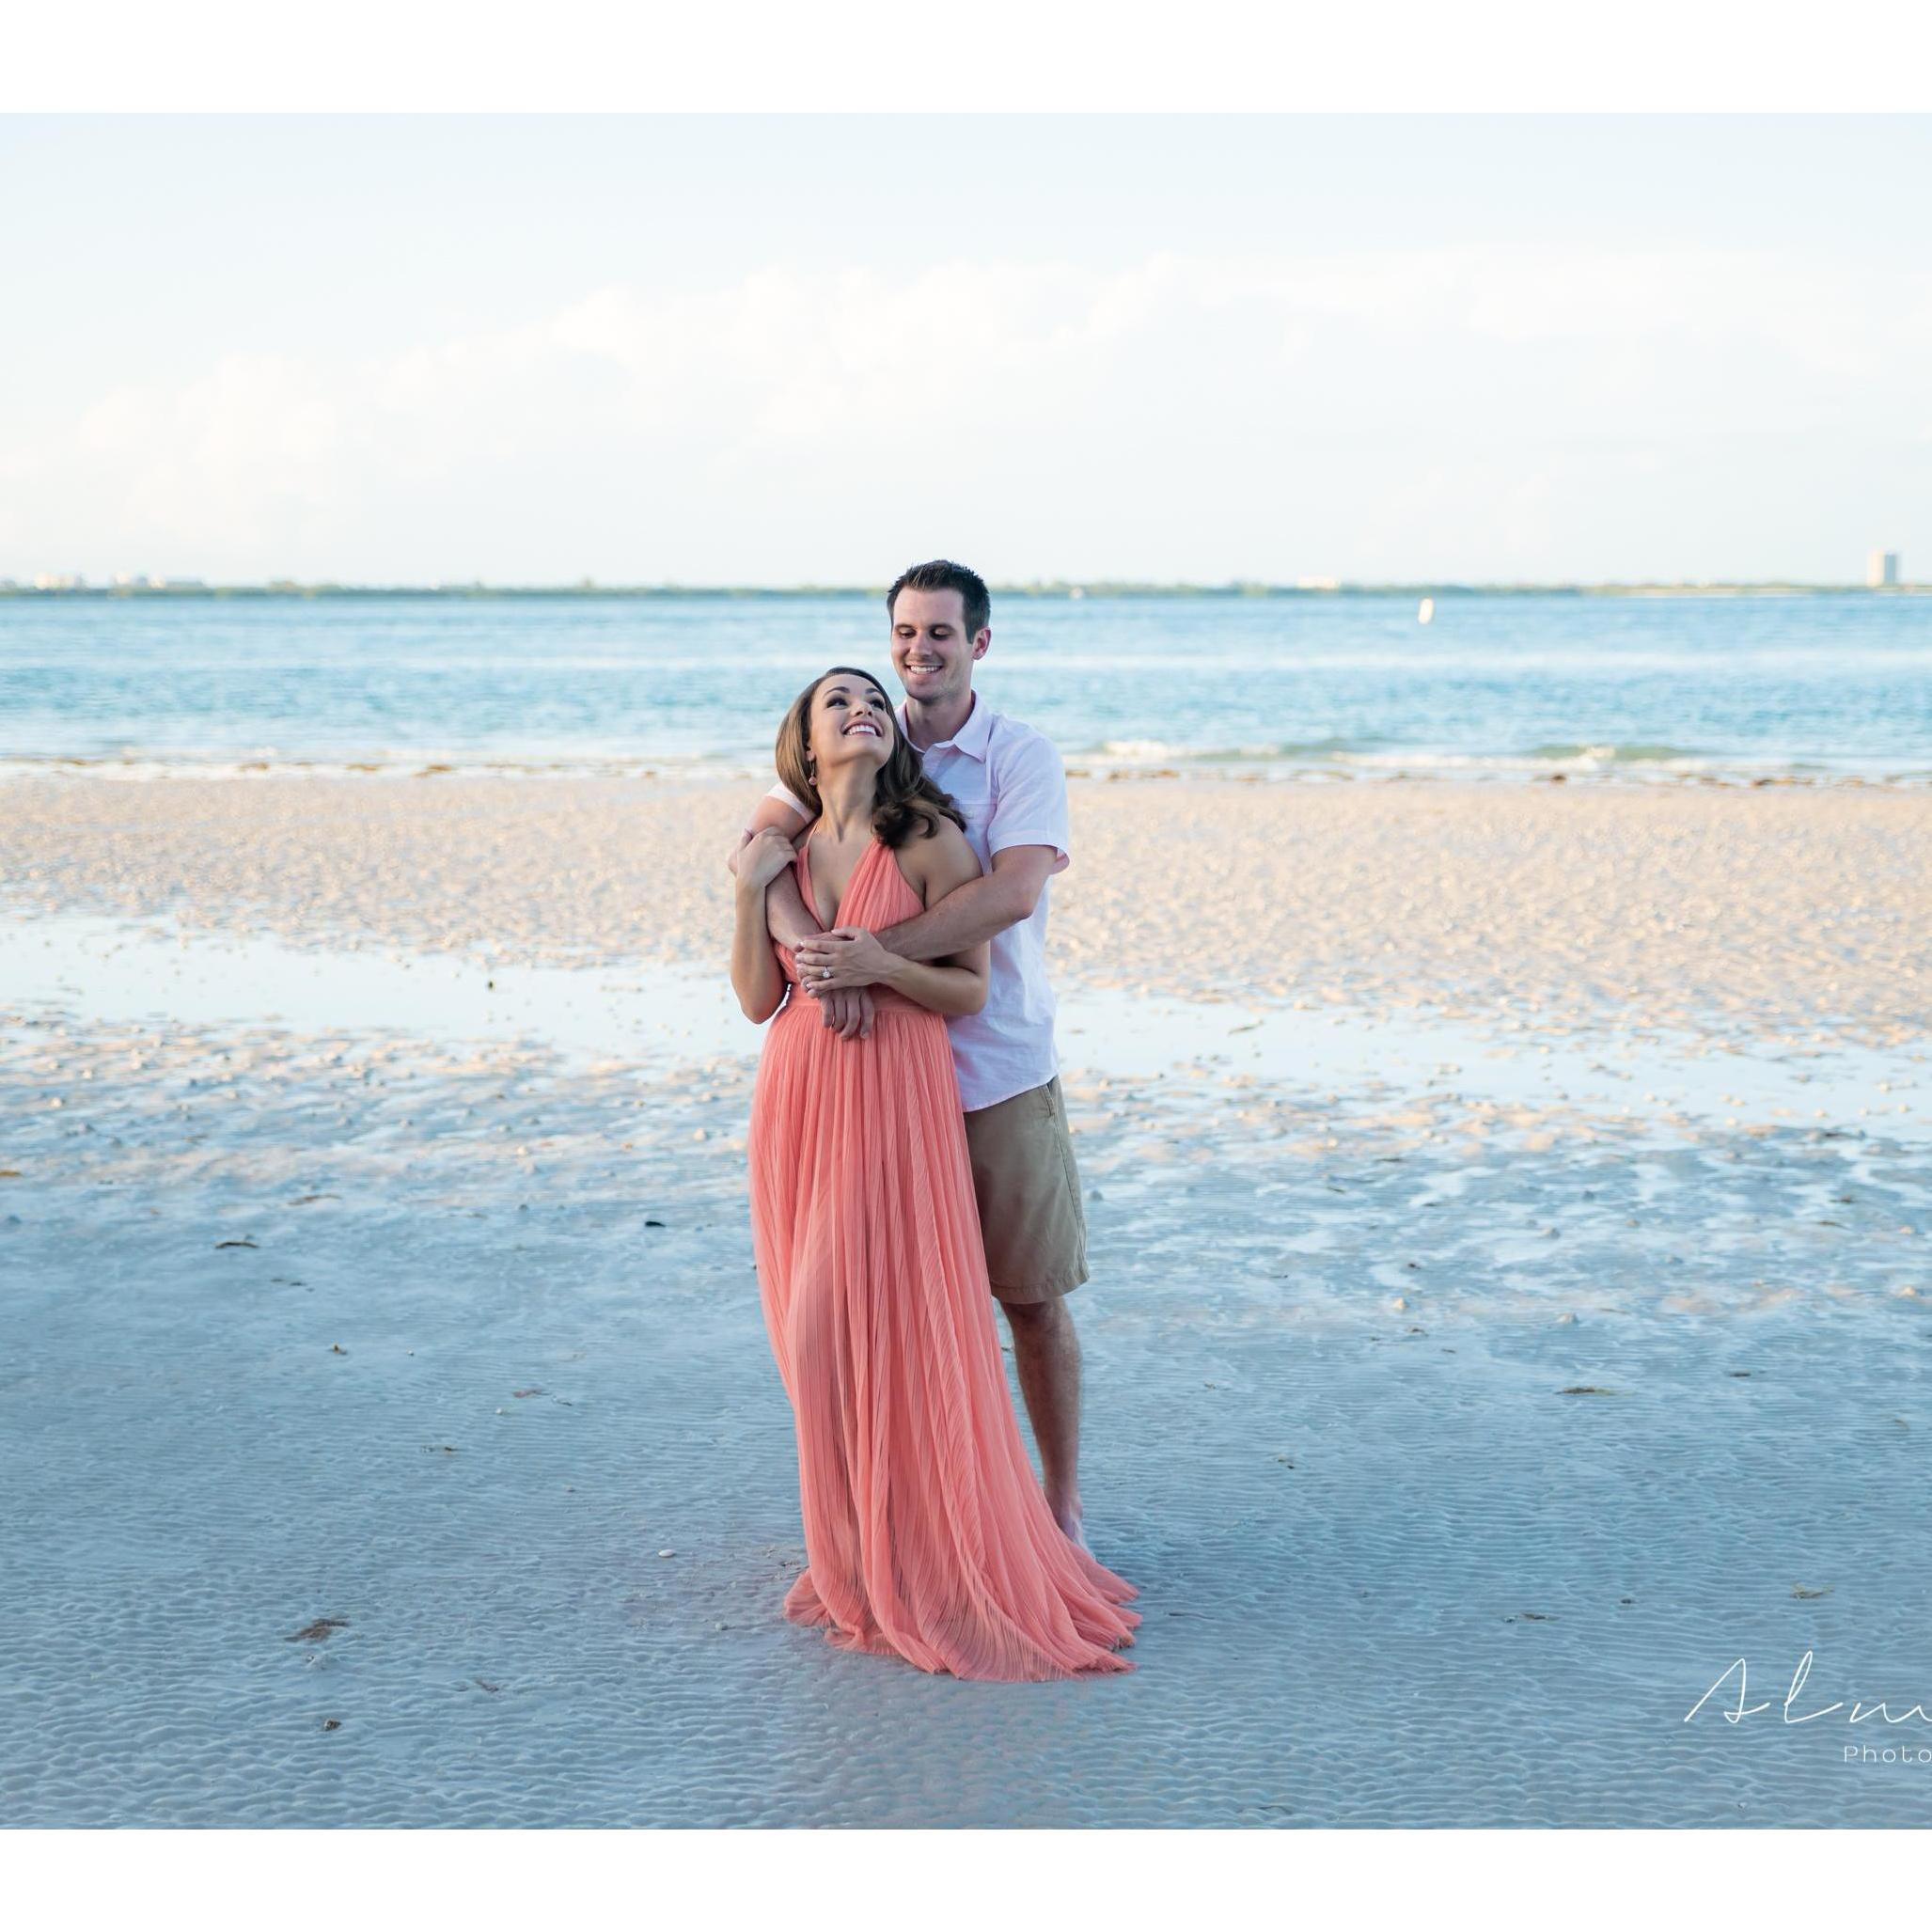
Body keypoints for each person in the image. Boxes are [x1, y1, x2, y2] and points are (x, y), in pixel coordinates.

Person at [731, 664, 1139, 1679]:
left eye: (872, 700)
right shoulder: (781, 850)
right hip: (802, 1102)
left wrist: (876, 965)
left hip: (902, 1097)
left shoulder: (925, 834)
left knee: (906, 1321)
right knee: (812, 1338)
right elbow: (754, 999)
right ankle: (865, 1552)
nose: (863, 708)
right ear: (804, 740)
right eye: (839, 703)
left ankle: (999, 1532)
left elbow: (968, 988)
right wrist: (750, 894)